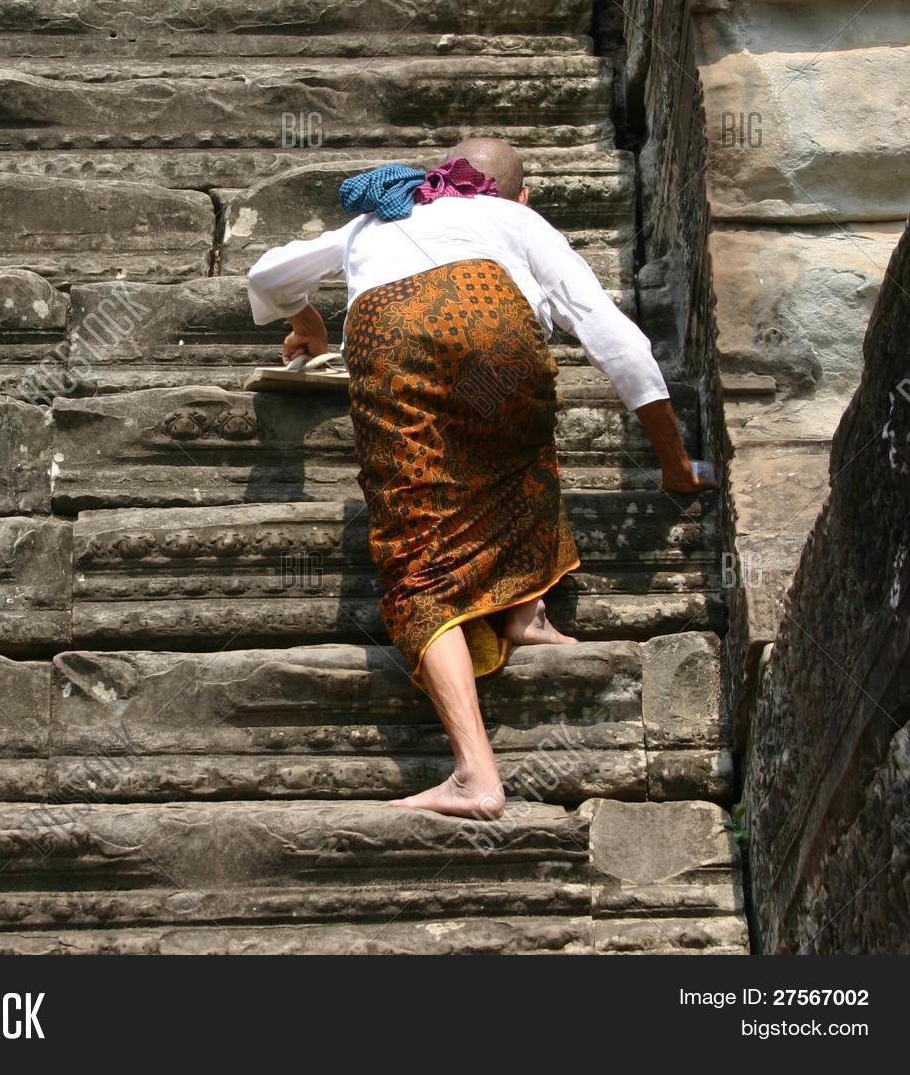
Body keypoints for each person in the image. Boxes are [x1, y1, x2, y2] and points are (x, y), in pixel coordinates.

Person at [246, 138, 714, 820]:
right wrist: (676, 467)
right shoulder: (517, 221)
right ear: (517, 196)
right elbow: (619, 342)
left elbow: (266, 274)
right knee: (514, 436)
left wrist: (310, 325)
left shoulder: (375, 218)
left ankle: (473, 774)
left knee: (417, 558)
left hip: (393, 338)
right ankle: (526, 613)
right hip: (492, 329)